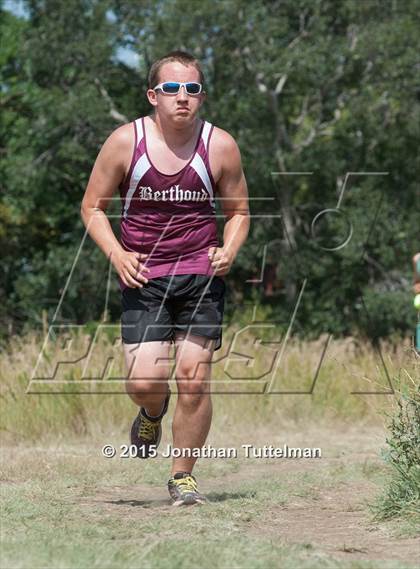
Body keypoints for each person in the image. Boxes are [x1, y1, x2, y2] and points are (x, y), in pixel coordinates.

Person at [81, 50, 250, 506]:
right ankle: (153, 411)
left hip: (199, 274)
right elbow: (92, 207)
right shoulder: (124, 141)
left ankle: (183, 476)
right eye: (172, 88)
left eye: (192, 89)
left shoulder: (220, 145)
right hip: (144, 276)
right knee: (141, 382)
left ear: (202, 96)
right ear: (153, 95)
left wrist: (229, 249)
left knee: (194, 378)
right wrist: (116, 253)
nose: (183, 97)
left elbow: (238, 213)